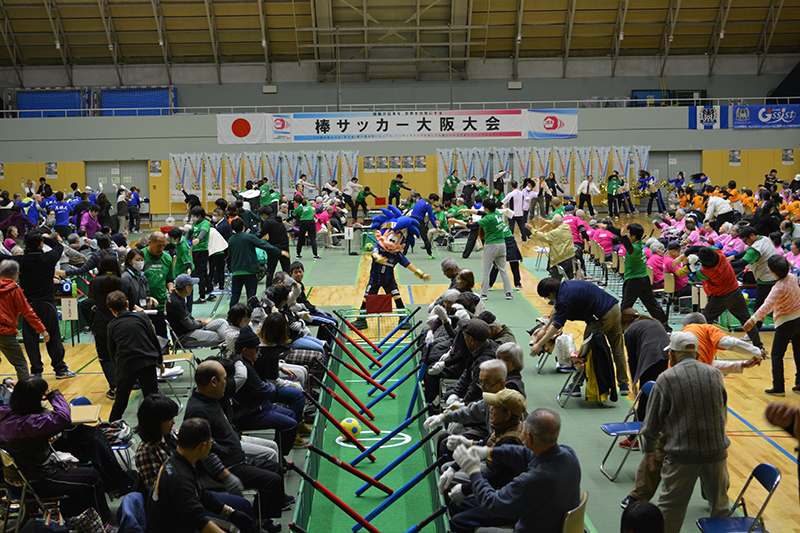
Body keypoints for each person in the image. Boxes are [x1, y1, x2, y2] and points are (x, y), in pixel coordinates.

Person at [640, 332, 730, 533]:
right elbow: (722, 412)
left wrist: (649, 451)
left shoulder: (666, 378)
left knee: (670, 511)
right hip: (717, 453)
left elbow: (651, 424)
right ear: (697, 354)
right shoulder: (715, 374)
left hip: (682, 455)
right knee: (721, 509)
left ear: (672, 355)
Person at [185, 360, 286, 530]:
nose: (228, 383)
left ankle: (260, 518)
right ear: (213, 382)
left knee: (275, 469)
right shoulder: (198, 411)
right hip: (226, 466)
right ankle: (258, 523)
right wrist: (225, 476)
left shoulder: (210, 399)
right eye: (225, 379)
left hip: (235, 459)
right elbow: (204, 451)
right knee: (273, 481)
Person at [451, 407, 581, 533]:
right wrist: (489, 451)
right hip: (550, 521)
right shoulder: (569, 455)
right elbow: (526, 454)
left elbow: (492, 503)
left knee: (464, 524)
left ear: (528, 438)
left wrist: (474, 472)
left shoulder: (532, 479)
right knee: (457, 506)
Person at [0, 377, 111, 522]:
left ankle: (71, 514)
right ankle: (103, 522)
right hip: (37, 480)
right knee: (92, 477)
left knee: (76, 468)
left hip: (12, 479)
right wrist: (54, 394)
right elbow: (64, 417)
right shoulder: (31, 424)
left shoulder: (5, 415)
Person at [145, 418, 257, 533]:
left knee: (243, 511)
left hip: (176, 522)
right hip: (175, 528)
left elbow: (202, 493)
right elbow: (198, 521)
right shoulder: (180, 479)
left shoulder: (178, 461)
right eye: (210, 442)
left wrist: (231, 513)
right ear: (203, 446)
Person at [444, 388, 528, 533]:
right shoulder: (504, 427)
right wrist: (454, 467)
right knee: (454, 506)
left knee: (458, 522)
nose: (490, 410)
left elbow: (493, 478)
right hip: (501, 492)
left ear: (507, 414)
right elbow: (484, 445)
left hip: (509, 503)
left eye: (494, 407)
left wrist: (464, 490)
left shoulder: (511, 441)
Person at [531, 278, 627, 397]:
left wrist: (539, 344)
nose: (547, 299)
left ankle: (576, 386)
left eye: (546, 297)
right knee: (617, 348)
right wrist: (547, 325)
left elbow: (557, 326)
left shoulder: (564, 300)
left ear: (551, 293)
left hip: (600, 318)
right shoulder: (565, 285)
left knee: (585, 352)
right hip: (615, 309)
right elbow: (556, 308)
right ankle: (624, 385)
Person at [1, 231, 74, 379]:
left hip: (29, 304)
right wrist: (45, 238)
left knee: (30, 340)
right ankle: (60, 369)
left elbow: (2, 257)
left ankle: (36, 371)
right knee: (53, 337)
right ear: (41, 244)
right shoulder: (49, 258)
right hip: (48, 303)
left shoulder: (21, 261)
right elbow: (59, 246)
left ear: (26, 245)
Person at [231, 326, 307, 450]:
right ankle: (280, 457)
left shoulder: (244, 360)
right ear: (245, 350)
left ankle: (280, 455)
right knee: (291, 423)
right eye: (256, 349)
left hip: (260, 404)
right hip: (250, 411)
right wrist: (271, 386)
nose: (259, 353)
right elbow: (264, 389)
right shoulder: (244, 368)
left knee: (290, 414)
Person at [673, 246, 762, 349]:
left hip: (720, 298)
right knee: (746, 320)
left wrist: (689, 263)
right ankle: (759, 346)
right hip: (736, 293)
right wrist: (685, 255)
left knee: (702, 321)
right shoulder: (720, 254)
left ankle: (695, 347)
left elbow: (694, 273)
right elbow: (700, 248)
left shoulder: (705, 272)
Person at [744, 254, 800, 396]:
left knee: (776, 354)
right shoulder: (792, 278)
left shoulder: (778, 287)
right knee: (798, 353)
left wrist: (752, 319)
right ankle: (799, 383)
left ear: (772, 271)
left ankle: (779, 387)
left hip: (785, 323)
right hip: (799, 319)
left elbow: (767, 305)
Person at [106, 290, 162, 422]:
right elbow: (153, 339)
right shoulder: (142, 317)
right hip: (147, 361)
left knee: (120, 402)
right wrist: (160, 360)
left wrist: (118, 370)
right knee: (153, 399)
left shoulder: (111, 325)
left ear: (111, 310)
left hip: (126, 366)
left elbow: (112, 351)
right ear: (127, 303)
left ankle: (110, 430)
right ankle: (156, 430)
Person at [0, 260, 48, 379]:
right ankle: (26, 396)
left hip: (6, 328)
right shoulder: (14, 290)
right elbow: (27, 312)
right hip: (5, 332)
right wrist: (42, 330)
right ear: (16, 274)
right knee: (20, 364)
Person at [228, 217, 289, 307]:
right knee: (251, 296)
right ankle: (252, 316)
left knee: (235, 295)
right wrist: (280, 251)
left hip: (236, 271)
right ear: (243, 227)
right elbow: (264, 245)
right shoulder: (249, 237)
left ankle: (231, 316)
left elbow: (230, 257)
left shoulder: (231, 240)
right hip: (249, 270)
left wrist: (231, 269)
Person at [88, 254, 124, 398]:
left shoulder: (95, 282)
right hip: (121, 323)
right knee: (120, 354)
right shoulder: (122, 281)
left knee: (105, 357)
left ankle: (115, 387)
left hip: (101, 325)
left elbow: (91, 299)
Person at [465, 198, 513, 300]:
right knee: (504, 270)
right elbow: (481, 212)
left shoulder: (488, 219)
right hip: (502, 244)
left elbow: (471, 226)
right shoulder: (496, 213)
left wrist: (455, 220)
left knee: (485, 271)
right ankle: (509, 293)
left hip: (491, 246)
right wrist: (467, 210)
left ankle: (484, 294)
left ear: (486, 208)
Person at [167, 274, 227, 348]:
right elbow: (190, 325)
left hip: (189, 330)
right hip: (185, 336)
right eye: (192, 286)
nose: (193, 288)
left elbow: (185, 318)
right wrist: (203, 323)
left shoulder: (177, 296)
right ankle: (231, 354)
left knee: (221, 322)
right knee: (220, 337)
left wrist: (197, 320)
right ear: (187, 288)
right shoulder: (176, 303)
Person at [527, 214, 573, 281]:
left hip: (559, 260)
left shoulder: (554, 233)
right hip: (570, 258)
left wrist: (532, 229)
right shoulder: (567, 227)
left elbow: (541, 236)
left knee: (556, 282)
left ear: (554, 223)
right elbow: (556, 222)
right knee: (570, 280)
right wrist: (546, 221)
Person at [188, 206, 213, 303]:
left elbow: (203, 232)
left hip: (201, 251)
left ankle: (202, 296)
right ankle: (211, 292)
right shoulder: (196, 222)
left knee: (200, 274)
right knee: (203, 272)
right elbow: (190, 232)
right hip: (196, 250)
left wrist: (198, 239)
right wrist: (184, 240)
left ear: (199, 215)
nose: (193, 217)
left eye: (194, 215)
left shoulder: (205, 222)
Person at [408, 193, 440, 260]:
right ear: (432, 199)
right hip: (419, 221)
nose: (433, 203)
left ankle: (404, 254)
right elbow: (430, 217)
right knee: (425, 238)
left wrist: (436, 219)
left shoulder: (421, 200)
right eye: (434, 201)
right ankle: (430, 254)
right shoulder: (428, 205)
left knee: (409, 236)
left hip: (412, 220)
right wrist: (436, 227)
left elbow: (431, 214)